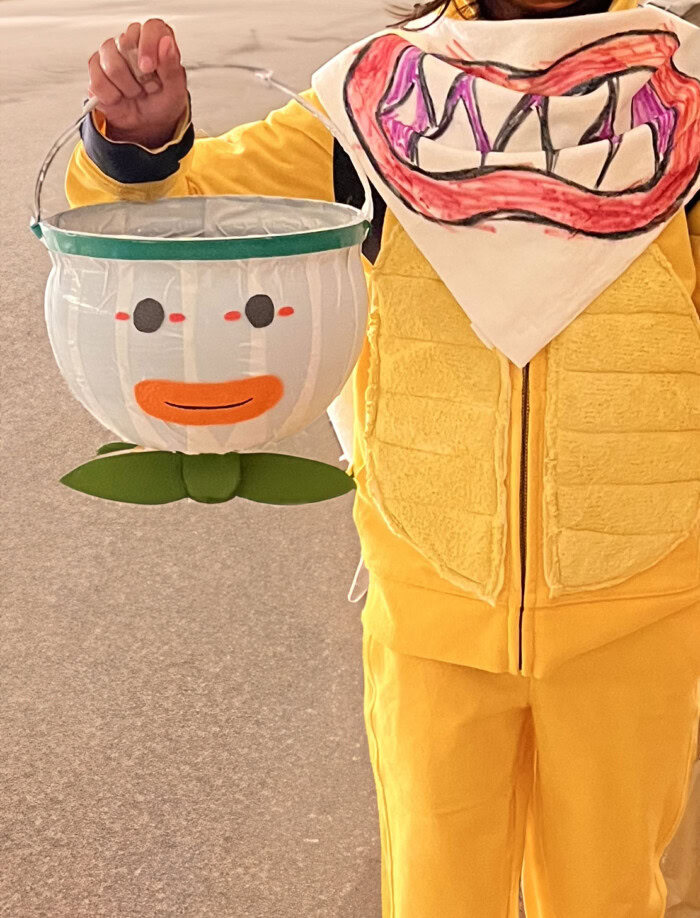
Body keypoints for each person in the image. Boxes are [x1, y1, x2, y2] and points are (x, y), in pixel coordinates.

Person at [66, 2, 700, 915]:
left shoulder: (680, 87)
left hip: (640, 600)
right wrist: (142, 140)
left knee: (609, 893)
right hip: (430, 595)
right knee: (438, 889)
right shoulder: (376, 97)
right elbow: (182, 213)